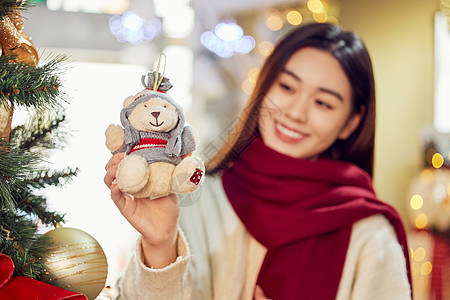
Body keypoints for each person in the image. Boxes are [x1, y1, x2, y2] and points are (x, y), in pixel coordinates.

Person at [104, 22, 412, 300]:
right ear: (264, 87)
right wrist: (160, 245)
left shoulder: (370, 234)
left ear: (351, 122)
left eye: (323, 102)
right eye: (287, 87)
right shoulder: (195, 194)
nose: (295, 112)